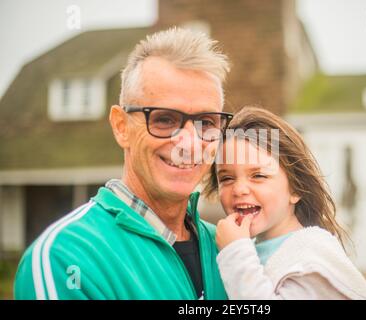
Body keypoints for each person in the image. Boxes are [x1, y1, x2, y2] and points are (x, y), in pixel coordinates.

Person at [14, 27, 232, 300]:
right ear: (121, 126)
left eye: (207, 123)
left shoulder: (230, 250)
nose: (189, 144)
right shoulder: (65, 257)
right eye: (165, 119)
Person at [204, 106, 366, 300]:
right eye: (226, 178)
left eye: (258, 175)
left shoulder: (312, 258)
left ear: (295, 189)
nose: (239, 189)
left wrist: (235, 253)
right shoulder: (241, 249)